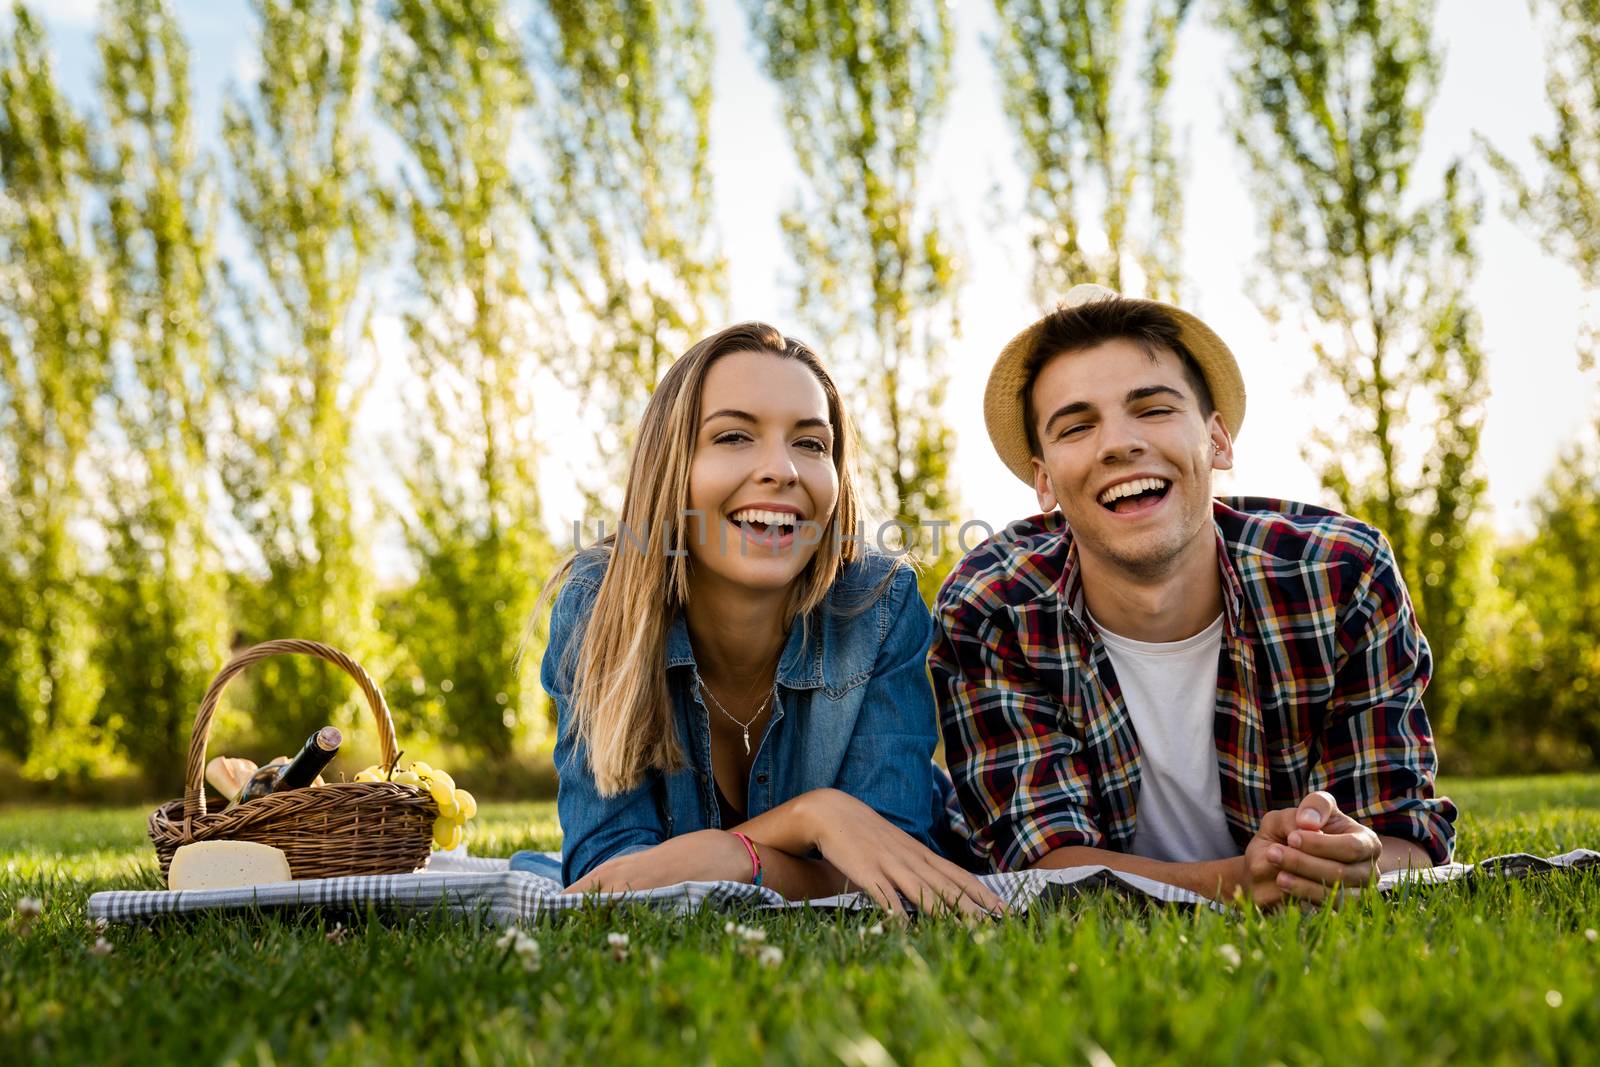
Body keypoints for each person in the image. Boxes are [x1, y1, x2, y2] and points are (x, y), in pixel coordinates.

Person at [930, 284, 1457, 908]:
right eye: (1077, 426)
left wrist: (1346, 856)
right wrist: (1243, 881)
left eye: (1152, 409)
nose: (1119, 443)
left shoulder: (1343, 575)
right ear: (1044, 481)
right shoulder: (992, 607)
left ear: (1218, 441)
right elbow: (1041, 869)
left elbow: (1402, 837)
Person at [511, 322, 1002, 918]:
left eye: (811, 444)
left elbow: (892, 861)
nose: (782, 470)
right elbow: (606, 875)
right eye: (735, 436)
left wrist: (726, 860)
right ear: (670, 470)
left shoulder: (878, 602)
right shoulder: (599, 607)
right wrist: (811, 819)